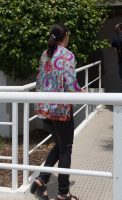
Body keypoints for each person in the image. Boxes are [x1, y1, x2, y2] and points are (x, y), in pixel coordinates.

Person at [30, 23, 84, 200]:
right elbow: (70, 84)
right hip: (61, 110)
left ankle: (42, 179)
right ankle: (63, 192)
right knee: (66, 149)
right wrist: (80, 91)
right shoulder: (67, 55)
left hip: (45, 109)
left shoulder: (45, 54)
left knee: (61, 146)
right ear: (66, 35)